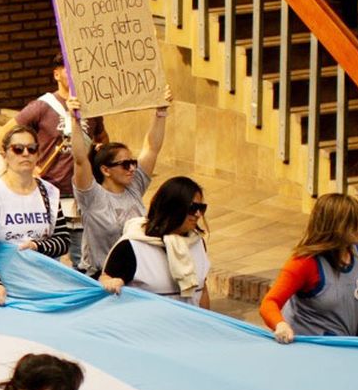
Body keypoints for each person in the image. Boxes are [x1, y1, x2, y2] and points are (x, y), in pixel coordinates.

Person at [14, 57, 109, 268]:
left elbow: (102, 137)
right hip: (48, 196)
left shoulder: (91, 107)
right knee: (46, 260)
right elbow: (4, 135)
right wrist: (29, 165)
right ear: (57, 74)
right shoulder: (41, 107)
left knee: (83, 262)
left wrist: (100, 151)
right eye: (68, 69)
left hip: (80, 197)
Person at [68, 88, 170, 276]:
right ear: (105, 170)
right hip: (101, 277)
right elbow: (80, 159)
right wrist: (75, 121)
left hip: (136, 276)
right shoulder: (92, 196)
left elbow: (152, 148)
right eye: (125, 164)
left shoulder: (134, 185)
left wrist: (161, 112)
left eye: (133, 163)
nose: (132, 169)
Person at [0, 125, 70, 307]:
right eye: (18, 149)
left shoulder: (50, 193)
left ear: (38, 154)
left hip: (45, 285)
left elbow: (63, 241)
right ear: (5, 154)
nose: (25, 154)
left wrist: (37, 246)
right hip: (7, 288)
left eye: (31, 149)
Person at [260, 192, 358, 342]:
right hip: (308, 350)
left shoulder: (357, 253)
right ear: (338, 227)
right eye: (354, 221)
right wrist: (280, 325)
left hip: (344, 348)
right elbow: (269, 303)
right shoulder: (304, 263)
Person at [99, 175, 211, 308]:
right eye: (193, 208)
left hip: (189, 327)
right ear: (172, 208)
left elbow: (202, 289)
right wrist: (110, 282)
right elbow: (106, 281)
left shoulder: (198, 244)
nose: (198, 214)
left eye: (201, 208)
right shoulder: (132, 247)